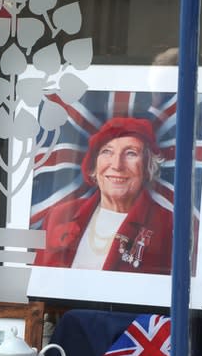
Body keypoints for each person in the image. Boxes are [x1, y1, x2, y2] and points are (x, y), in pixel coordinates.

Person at [34, 117, 173, 274]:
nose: (117, 165)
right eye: (107, 151)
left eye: (131, 153)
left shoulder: (168, 226)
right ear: (94, 164)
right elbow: (40, 285)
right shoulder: (59, 215)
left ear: (148, 166)